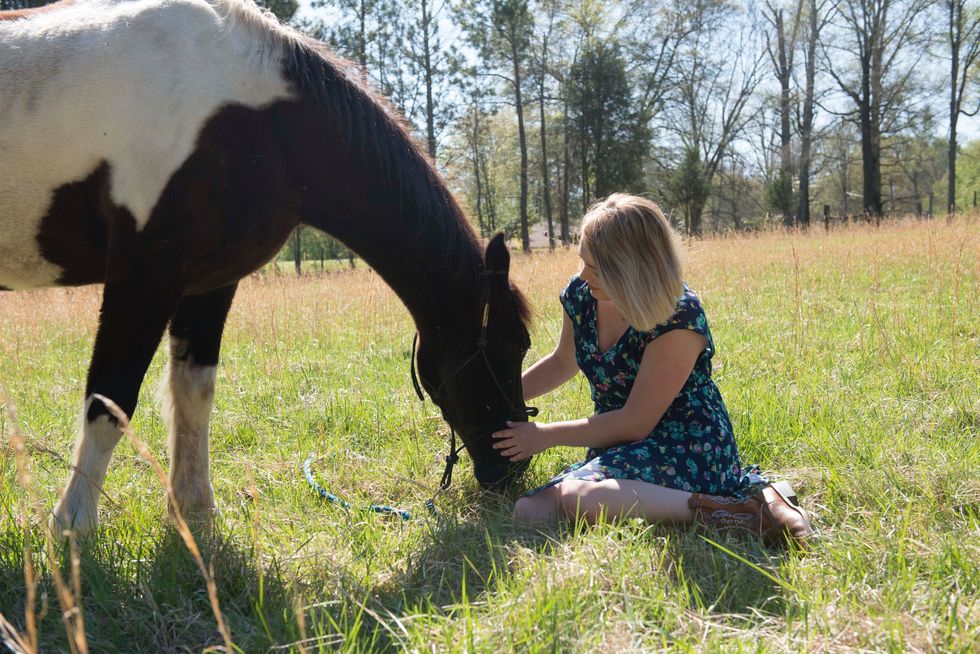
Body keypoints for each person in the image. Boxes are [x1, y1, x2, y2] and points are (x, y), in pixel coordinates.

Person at [492, 194, 813, 546]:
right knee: (529, 510)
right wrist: (497, 395)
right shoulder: (582, 295)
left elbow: (636, 422)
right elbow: (562, 362)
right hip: (618, 440)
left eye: (595, 267)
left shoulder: (679, 317)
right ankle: (739, 504)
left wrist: (545, 435)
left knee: (580, 499)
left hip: (688, 443)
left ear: (629, 269)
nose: (582, 274)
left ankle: (742, 511)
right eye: (582, 260)